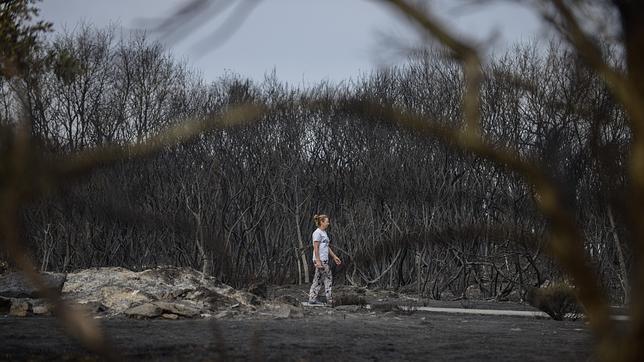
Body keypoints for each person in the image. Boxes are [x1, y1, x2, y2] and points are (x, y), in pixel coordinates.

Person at [308, 214, 342, 306]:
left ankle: (312, 298)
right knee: (328, 277)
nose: (328, 223)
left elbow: (326, 247)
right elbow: (316, 247)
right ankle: (329, 299)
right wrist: (318, 261)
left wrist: (334, 257)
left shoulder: (324, 233)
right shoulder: (317, 233)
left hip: (324, 259)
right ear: (322, 222)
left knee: (318, 279)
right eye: (327, 221)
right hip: (320, 260)